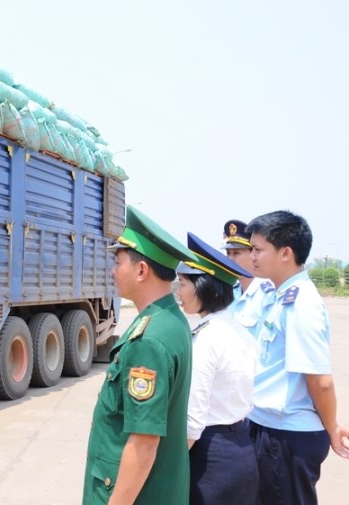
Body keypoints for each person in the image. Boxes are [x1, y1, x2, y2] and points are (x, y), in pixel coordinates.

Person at [82, 205, 197, 505]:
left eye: (118, 261)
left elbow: (144, 442)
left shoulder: (150, 339)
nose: (112, 270)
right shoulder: (170, 320)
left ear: (141, 270)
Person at [246, 210, 349, 504]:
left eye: (258, 249)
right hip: (268, 427)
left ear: (285, 253)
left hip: (286, 436)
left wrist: (332, 428)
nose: (252, 256)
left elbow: (320, 381)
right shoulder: (277, 295)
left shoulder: (301, 303)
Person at [175, 232, 258, 505]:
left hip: (210, 456)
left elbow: (193, 422)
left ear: (203, 288)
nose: (178, 290)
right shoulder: (239, 331)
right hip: (242, 448)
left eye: (184, 283)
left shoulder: (206, 339)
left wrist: (168, 466)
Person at [221, 219, 274, 335]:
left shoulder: (267, 295)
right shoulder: (229, 291)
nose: (230, 259)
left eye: (236, 253)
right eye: (228, 253)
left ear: (253, 254)